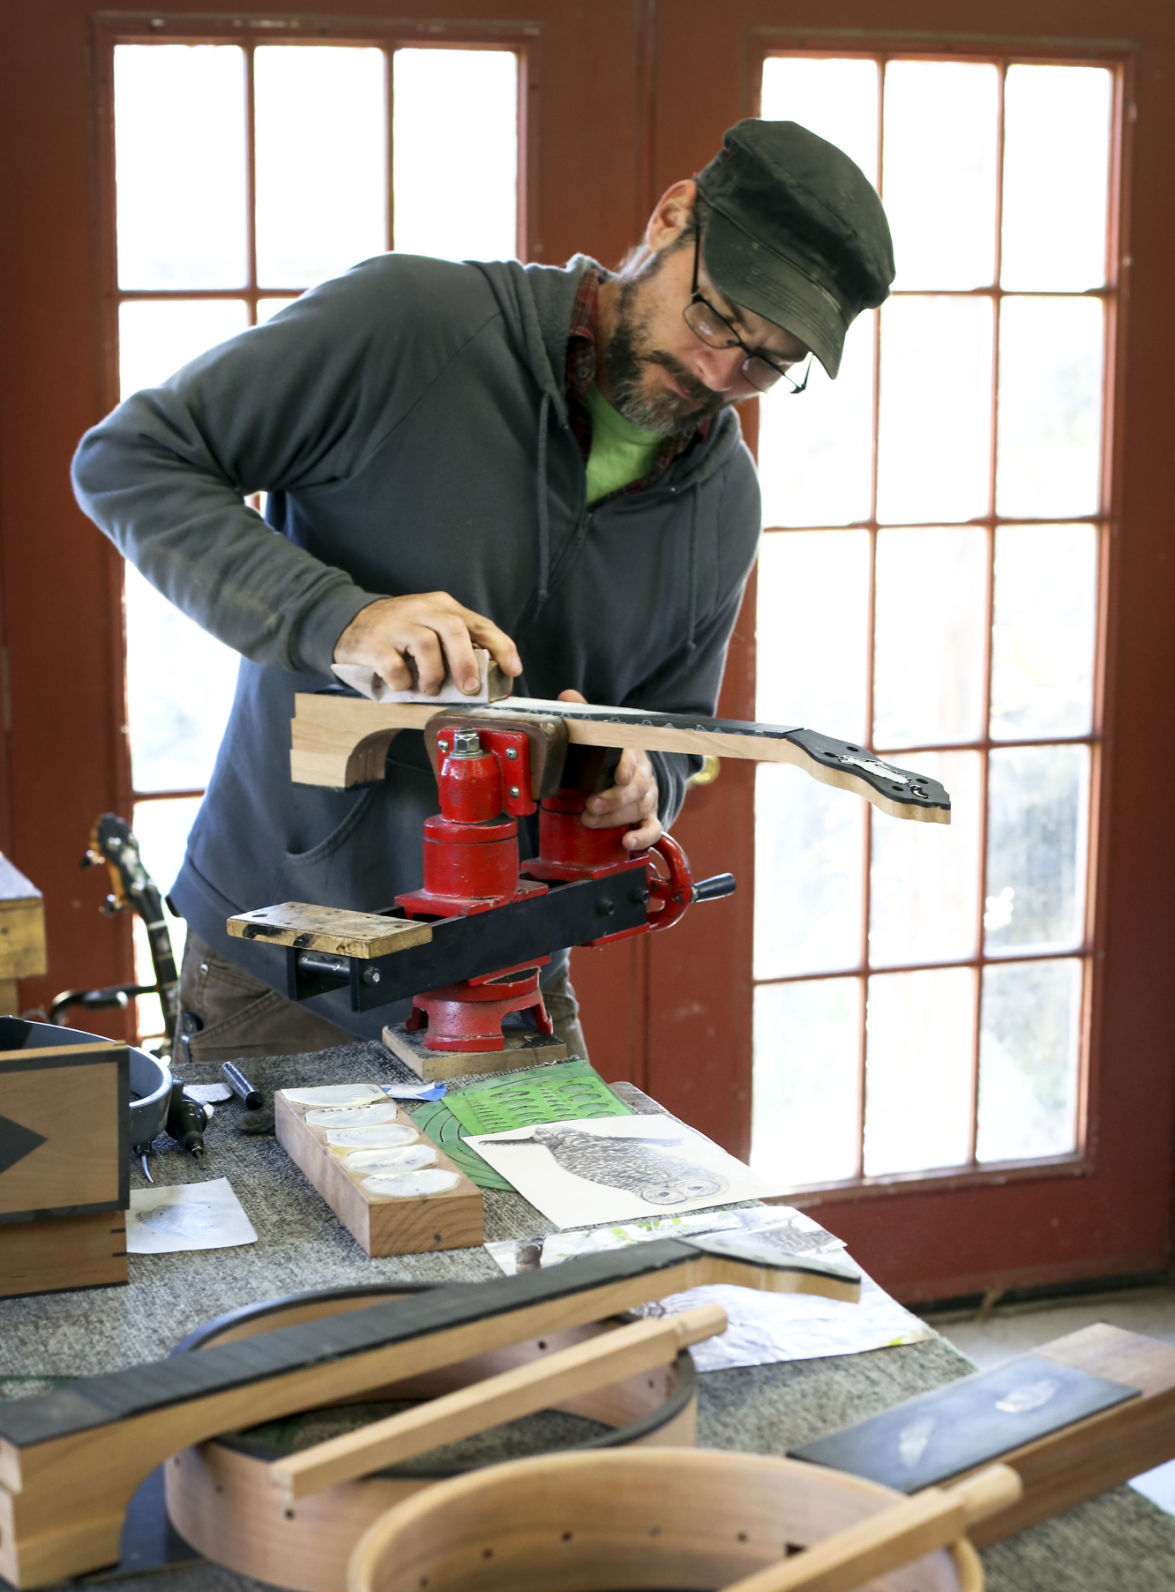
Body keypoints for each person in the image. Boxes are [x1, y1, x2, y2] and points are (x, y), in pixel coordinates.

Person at [71, 118, 894, 1065]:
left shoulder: (723, 502)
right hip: (286, 961)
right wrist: (338, 618)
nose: (718, 369)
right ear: (672, 219)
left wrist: (638, 783)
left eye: (765, 362)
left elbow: (674, 725)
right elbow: (130, 459)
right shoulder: (408, 324)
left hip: (514, 976)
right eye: (713, 317)